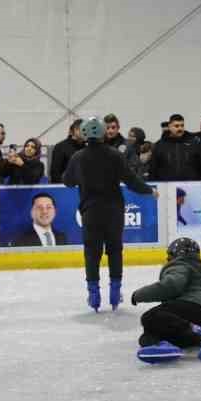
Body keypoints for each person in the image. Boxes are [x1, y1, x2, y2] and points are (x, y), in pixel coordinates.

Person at [64, 116, 155, 311]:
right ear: (104, 132)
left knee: (92, 252)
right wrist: (149, 190)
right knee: (114, 250)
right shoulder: (115, 155)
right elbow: (131, 180)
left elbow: (67, 181)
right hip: (114, 210)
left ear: (85, 134)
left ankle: (94, 293)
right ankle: (115, 291)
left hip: (90, 212)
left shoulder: (78, 157)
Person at [132, 237, 201, 364]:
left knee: (150, 317)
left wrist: (139, 295)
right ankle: (165, 347)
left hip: (191, 309)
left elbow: (171, 286)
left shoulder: (181, 264)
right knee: (148, 334)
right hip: (200, 319)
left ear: (177, 254)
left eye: (169, 255)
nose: (167, 259)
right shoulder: (194, 268)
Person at [149, 114, 201, 182]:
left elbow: (200, 166)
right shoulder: (160, 145)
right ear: (170, 127)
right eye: (176, 126)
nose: (180, 128)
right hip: (167, 186)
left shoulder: (193, 143)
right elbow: (153, 168)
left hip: (190, 185)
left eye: (182, 126)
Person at [47, 119, 84, 184]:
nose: (82, 131)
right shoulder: (60, 147)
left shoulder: (87, 147)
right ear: (72, 131)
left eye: (84, 129)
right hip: (65, 188)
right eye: (78, 129)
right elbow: (55, 173)